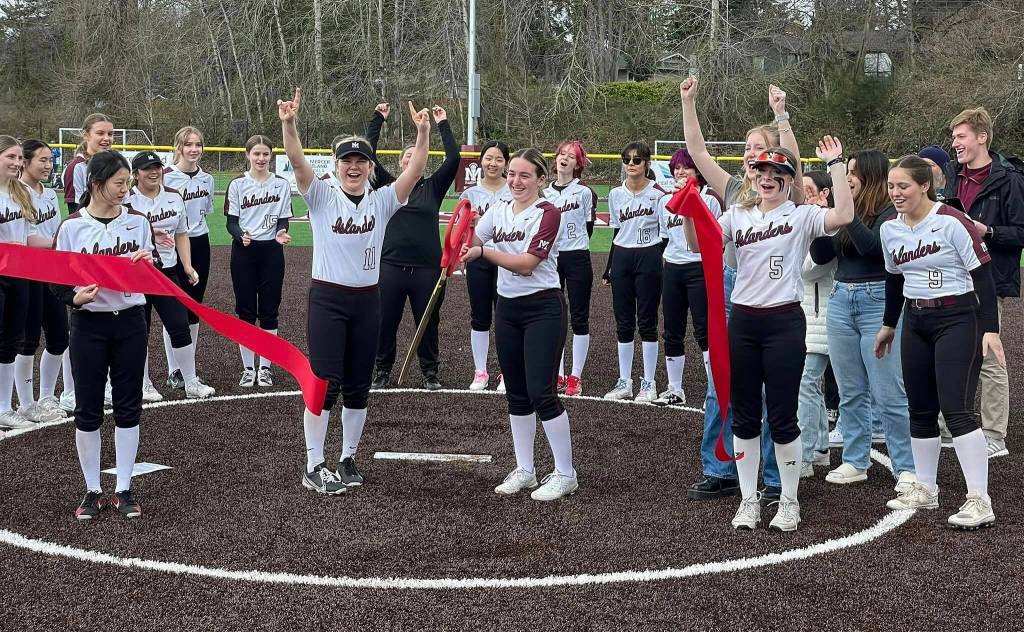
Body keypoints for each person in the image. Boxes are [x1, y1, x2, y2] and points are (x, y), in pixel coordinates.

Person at [682, 137, 855, 531]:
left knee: (781, 416)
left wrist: (836, 165)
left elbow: (843, 214)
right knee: (743, 417)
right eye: (762, 172)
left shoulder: (800, 215)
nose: (768, 179)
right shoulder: (737, 215)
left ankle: (789, 501)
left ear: (788, 180)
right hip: (743, 323)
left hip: (783, 322)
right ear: (752, 176)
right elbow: (698, 246)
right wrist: (689, 209)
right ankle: (748, 500)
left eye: (778, 174)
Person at [279, 90, 431, 492]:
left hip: (368, 300)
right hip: (328, 299)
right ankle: (314, 463)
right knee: (325, 380)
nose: (354, 166)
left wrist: (422, 134)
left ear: (368, 166)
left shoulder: (382, 200)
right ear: (336, 164)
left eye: (360, 160)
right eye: (347, 160)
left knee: (359, 384)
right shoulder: (323, 197)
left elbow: (414, 171)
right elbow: (296, 160)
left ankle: (347, 457)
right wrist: (289, 123)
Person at [679, 76, 796, 503]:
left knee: (765, 388)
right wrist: (689, 102)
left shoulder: (784, 189)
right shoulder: (732, 189)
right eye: (746, 148)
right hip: (731, 290)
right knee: (719, 382)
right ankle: (720, 467)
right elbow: (697, 151)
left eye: (757, 147)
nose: (749, 154)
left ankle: (772, 476)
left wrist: (781, 117)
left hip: (770, 295)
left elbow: (793, 159)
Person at [876, 155, 1004, 529]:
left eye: (903, 186)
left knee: (956, 408)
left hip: (957, 317)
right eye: (891, 187)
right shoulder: (889, 229)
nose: (896, 193)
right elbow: (894, 279)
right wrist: (888, 324)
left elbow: (982, 274)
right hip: (916, 320)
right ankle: (926, 488)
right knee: (920, 407)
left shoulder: (951, 221)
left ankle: (980, 499)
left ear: (924, 186)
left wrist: (990, 328)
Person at [460, 147, 577, 501]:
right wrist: (462, 243)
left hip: (543, 308)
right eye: (512, 174)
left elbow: (526, 264)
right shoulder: (498, 210)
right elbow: (474, 238)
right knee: (517, 393)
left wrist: (482, 253)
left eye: (525, 175)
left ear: (541, 180)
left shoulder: (548, 213)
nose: (515, 181)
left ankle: (565, 473)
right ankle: (526, 469)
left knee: (542, 392)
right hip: (508, 309)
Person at [51, 150, 156, 519]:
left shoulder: (138, 221)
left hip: (130, 321)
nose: (126, 189)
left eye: (127, 182)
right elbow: (56, 279)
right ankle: (92, 490)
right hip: (89, 325)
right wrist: (72, 297)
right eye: (119, 183)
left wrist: (147, 263)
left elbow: (152, 271)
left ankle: (124, 488)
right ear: (96, 184)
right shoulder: (72, 226)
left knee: (129, 406)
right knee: (88, 408)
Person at [808, 150, 916, 503]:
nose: (848, 177)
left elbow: (872, 249)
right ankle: (856, 459)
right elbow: (824, 256)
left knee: (888, 391)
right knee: (850, 388)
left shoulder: (888, 213)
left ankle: (906, 467)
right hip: (841, 298)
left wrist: (846, 211)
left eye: (852, 172)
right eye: (846, 172)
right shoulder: (846, 210)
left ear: (869, 175)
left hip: (876, 301)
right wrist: (826, 217)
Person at [941, 108, 1024, 459]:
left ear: (981, 137)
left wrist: (986, 230)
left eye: (961, 136)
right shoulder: (950, 174)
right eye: (954, 137)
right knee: (950, 352)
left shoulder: (1009, 179)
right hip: (948, 276)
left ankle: (993, 435)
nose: (955, 143)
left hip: (986, 277)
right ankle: (949, 426)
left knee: (989, 356)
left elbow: (1020, 232)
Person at [364, 101, 460, 391]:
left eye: (413, 156)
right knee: (385, 322)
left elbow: (454, 158)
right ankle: (382, 371)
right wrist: (377, 119)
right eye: (405, 158)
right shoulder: (387, 187)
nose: (409, 160)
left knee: (427, 323)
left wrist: (441, 124)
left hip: (427, 269)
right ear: (401, 164)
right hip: (391, 266)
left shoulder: (432, 187)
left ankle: (430, 373)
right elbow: (368, 153)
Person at [124, 151, 215, 401]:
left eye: (157, 167)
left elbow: (182, 233)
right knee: (139, 330)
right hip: (137, 273)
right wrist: (152, 233)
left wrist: (187, 266)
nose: (153, 172)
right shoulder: (128, 199)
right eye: (146, 169)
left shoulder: (173, 196)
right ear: (135, 174)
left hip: (167, 270)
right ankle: (143, 383)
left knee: (179, 324)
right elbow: (122, 231)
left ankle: (190, 381)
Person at [224, 135, 293, 388]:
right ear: (248, 155)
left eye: (265, 154)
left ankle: (265, 368)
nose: (261, 158)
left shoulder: (281, 185)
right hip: (244, 251)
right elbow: (231, 222)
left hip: (272, 251)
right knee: (245, 311)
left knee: (269, 310)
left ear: (271, 156)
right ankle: (247, 368)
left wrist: (281, 232)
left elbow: (283, 219)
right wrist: (239, 234)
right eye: (257, 154)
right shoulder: (238, 184)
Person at [654, 148, 721, 406]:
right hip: (672, 267)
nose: (680, 172)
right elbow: (665, 238)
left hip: (699, 268)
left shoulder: (710, 199)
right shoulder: (665, 201)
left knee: (704, 330)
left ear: (698, 172)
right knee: (672, 329)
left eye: (686, 167)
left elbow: (715, 240)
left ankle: (713, 390)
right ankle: (674, 389)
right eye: (676, 168)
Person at [602, 141, 667, 404]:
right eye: (627, 159)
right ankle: (624, 381)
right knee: (624, 321)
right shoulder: (616, 194)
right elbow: (617, 232)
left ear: (647, 164)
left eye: (637, 160)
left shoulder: (659, 195)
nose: (631, 164)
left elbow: (664, 234)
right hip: (622, 257)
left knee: (647, 322)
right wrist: (609, 267)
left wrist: (657, 260)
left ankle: (649, 382)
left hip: (649, 255)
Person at [59, 113, 114, 413]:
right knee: (82, 321)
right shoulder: (78, 167)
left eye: (110, 133)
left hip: (108, 250)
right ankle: (70, 389)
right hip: (86, 251)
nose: (106, 138)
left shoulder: (111, 162)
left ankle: (101, 382)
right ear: (85, 134)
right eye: (100, 133)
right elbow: (75, 213)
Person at [13, 139, 69, 424]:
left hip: (53, 271)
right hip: (29, 272)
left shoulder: (48, 193)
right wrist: (58, 243)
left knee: (60, 335)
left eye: (50, 160)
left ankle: (46, 396)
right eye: (42, 160)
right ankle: (26, 403)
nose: (48, 165)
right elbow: (26, 237)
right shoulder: (16, 192)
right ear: (25, 161)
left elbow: (56, 227)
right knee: (28, 339)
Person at [162, 126, 216, 390]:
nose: (194, 149)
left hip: (200, 242)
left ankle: (188, 368)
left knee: (194, 307)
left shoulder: (207, 179)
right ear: (178, 147)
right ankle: (174, 370)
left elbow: (204, 212)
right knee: (175, 309)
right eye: (188, 144)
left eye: (198, 144)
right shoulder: (166, 177)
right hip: (172, 245)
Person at [544, 140, 596, 397]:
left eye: (571, 156)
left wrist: (574, 245)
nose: (565, 158)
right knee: (555, 315)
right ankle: (558, 373)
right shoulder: (545, 193)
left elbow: (588, 228)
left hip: (577, 257)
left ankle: (575, 375)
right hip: (552, 258)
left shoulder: (584, 192)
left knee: (578, 316)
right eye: (562, 154)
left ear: (578, 164)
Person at [460, 141, 512, 392]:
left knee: (504, 316)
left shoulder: (514, 191)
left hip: (505, 258)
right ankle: (480, 371)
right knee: (479, 316)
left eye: (499, 159)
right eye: (489, 158)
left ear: (506, 163)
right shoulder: (470, 194)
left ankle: (506, 372)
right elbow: (460, 230)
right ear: (481, 161)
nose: (493, 163)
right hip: (478, 259)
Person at [797, 171, 836, 476]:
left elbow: (808, 270)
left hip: (820, 316)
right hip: (810, 314)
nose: (805, 197)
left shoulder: (827, 226)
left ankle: (808, 452)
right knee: (811, 384)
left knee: (806, 383)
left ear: (825, 194)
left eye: (810, 191)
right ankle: (820, 447)